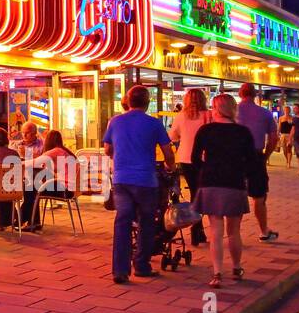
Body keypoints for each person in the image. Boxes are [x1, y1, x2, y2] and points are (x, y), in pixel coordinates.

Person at [102, 85, 175, 283]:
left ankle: (120, 270)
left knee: (122, 221)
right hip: (146, 181)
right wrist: (171, 167)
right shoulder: (154, 124)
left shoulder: (115, 122)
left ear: (128, 101)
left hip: (122, 180)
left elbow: (107, 149)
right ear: (147, 102)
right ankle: (142, 265)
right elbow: (168, 151)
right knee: (147, 222)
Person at [190, 94, 258, 288]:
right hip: (234, 183)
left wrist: (206, 167)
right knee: (234, 231)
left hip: (211, 182)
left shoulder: (206, 130)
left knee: (215, 231)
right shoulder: (243, 132)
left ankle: (218, 273)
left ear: (217, 109)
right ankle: (236, 267)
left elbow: (194, 159)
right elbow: (252, 162)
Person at [236, 83, 279, 241]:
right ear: (255, 95)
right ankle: (264, 231)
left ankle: (235, 233)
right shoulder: (264, 113)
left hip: (235, 157)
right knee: (259, 196)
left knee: (237, 194)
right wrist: (265, 156)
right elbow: (274, 139)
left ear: (240, 94)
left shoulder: (231, 112)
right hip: (255, 156)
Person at [168, 88, 211, 246]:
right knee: (201, 193)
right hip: (205, 158)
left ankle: (197, 227)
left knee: (194, 191)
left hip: (186, 157)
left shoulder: (181, 116)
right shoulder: (209, 115)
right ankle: (197, 228)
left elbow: (172, 136)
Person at [23, 129, 77, 230]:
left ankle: (27, 220)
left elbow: (34, 162)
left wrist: (19, 163)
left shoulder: (55, 151)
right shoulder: (64, 151)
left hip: (64, 190)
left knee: (30, 188)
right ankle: (31, 221)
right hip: (70, 189)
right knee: (32, 186)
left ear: (48, 140)